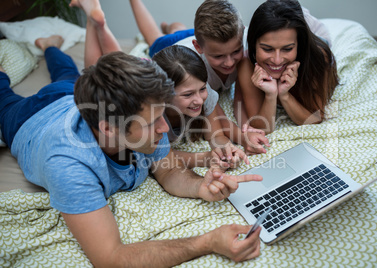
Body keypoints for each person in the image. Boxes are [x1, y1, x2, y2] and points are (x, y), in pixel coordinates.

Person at [0, 34, 263, 266]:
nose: (164, 129)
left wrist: (200, 187)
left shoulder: (141, 115)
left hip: (70, 97)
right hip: (28, 119)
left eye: (162, 115)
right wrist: (206, 243)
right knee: (4, 93)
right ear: (109, 129)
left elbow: (168, 171)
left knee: (67, 76)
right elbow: (111, 257)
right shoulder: (68, 164)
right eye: (152, 123)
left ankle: (50, 46)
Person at [70, 0, 249, 169]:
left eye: (202, 90)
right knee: (109, 70)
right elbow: (162, 157)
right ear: (164, 95)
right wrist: (206, 158)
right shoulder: (152, 113)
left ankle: (172, 27)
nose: (199, 100)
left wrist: (225, 148)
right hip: (168, 51)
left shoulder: (201, 90)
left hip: (182, 52)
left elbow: (217, 134)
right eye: (187, 95)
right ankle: (98, 23)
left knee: (176, 30)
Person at [130, 0, 271, 156]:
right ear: (198, 47)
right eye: (218, 56)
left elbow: (221, 119)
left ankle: (173, 27)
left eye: (235, 52)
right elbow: (218, 116)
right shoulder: (193, 72)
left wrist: (244, 136)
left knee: (179, 29)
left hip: (203, 39)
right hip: (175, 47)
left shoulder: (244, 45)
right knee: (155, 39)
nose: (230, 62)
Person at [235, 0, 339, 134]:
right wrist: (271, 95)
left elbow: (314, 118)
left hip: (317, 37)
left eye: (287, 49)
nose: (277, 60)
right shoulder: (246, 63)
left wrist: (284, 95)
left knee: (300, 19)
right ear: (254, 45)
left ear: (298, 45)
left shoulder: (318, 57)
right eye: (267, 49)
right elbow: (263, 127)